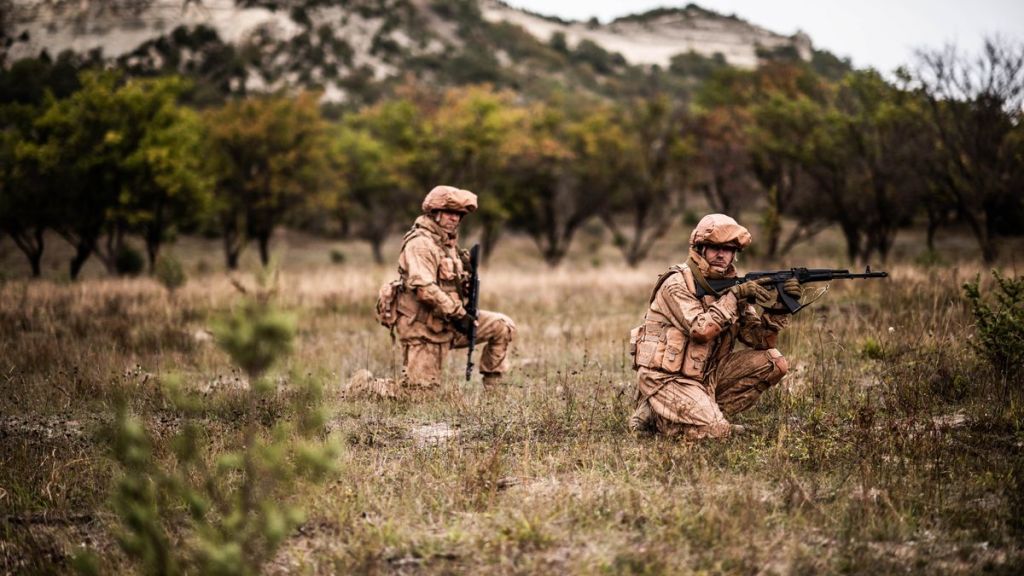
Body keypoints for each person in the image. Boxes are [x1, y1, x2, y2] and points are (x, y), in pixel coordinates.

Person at [627, 214, 800, 439]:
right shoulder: (677, 283)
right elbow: (701, 330)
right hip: (666, 379)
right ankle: (664, 418)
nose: (721, 254)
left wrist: (780, 307)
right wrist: (733, 297)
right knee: (717, 431)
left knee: (774, 363)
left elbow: (761, 340)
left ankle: (685, 413)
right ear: (700, 249)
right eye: (714, 248)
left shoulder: (735, 287)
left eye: (728, 249)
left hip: (706, 377)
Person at [392, 185, 516, 390]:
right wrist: (459, 316)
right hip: (425, 329)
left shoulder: (448, 246)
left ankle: (495, 395)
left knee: (502, 326)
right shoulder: (420, 244)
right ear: (435, 213)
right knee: (420, 396)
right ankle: (365, 388)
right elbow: (424, 289)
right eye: (450, 212)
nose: (455, 218)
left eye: (459, 214)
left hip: (450, 324)